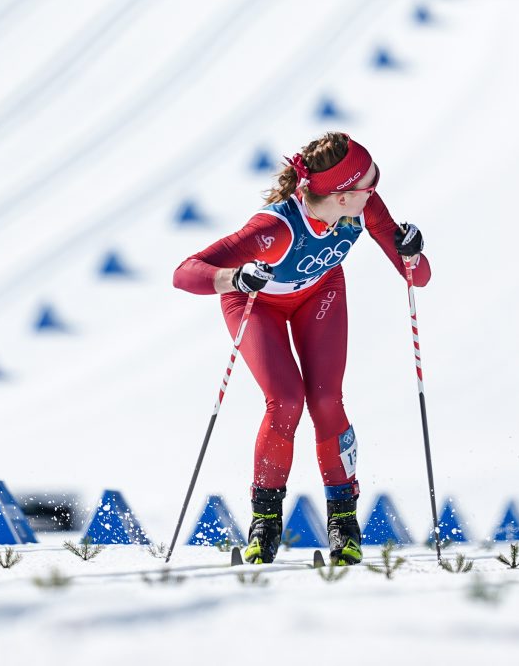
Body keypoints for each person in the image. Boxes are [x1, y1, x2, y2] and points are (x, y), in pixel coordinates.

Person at [173, 132, 430, 565]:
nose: (375, 191)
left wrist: (412, 253)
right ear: (342, 196)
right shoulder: (274, 229)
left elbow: (418, 277)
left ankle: (344, 524)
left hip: (320, 291)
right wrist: (233, 278)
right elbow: (184, 272)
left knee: (327, 400)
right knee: (286, 401)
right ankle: (265, 523)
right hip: (257, 303)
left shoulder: (363, 207)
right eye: (370, 184)